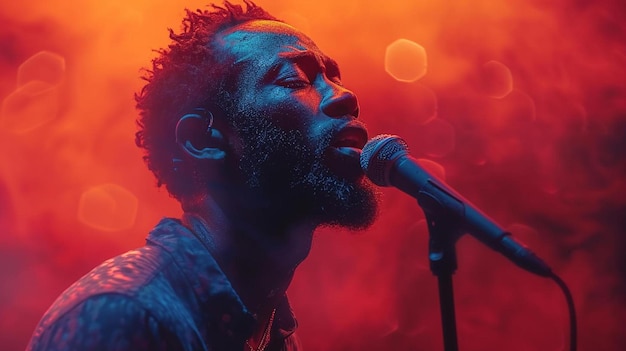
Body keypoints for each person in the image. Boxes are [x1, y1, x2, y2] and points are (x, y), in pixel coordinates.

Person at [26, 1, 379, 350]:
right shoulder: (123, 315)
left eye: (334, 77)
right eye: (295, 79)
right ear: (202, 138)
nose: (345, 95)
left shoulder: (273, 331)